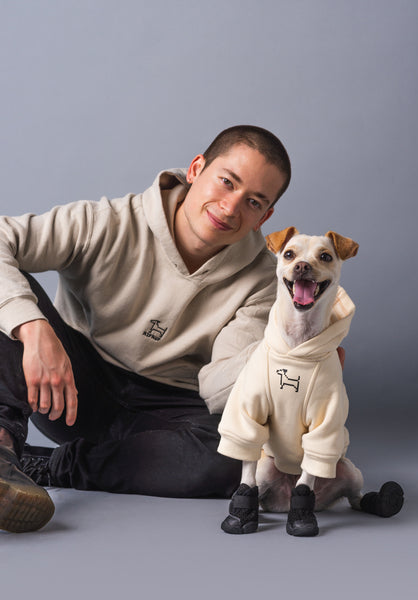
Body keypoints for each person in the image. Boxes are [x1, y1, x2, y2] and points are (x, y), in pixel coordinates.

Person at [0, 125, 291, 533]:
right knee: (12, 300)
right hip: (66, 387)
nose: (230, 208)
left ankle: (51, 467)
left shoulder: (263, 280)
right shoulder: (107, 222)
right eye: (227, 182)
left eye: (254, 201)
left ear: (267, 215)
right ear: (196, 169)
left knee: (239, 454)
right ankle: (2, 447)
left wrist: (289, 363)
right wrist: (33, 329)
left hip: (163, 411)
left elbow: (222, 385)